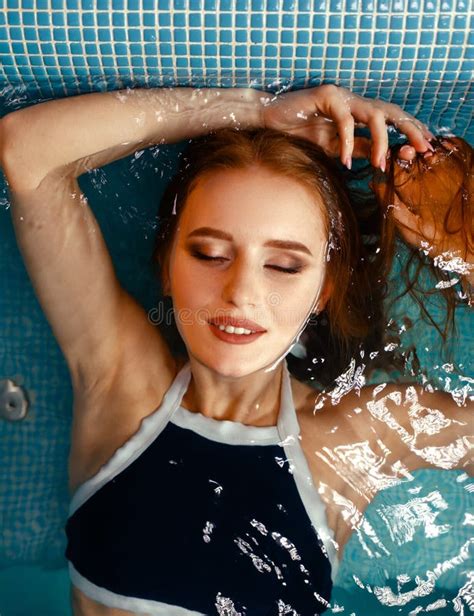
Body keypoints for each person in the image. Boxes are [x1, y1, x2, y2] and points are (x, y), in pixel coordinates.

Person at [0, 85, 471, 615]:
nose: (241, 292)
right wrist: (257, 112)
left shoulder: (354, 436)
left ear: (325, 291)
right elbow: (27, 149)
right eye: (209, 253)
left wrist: (464, 254)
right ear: (167, 268)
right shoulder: (122, 387)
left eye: (284, 266)